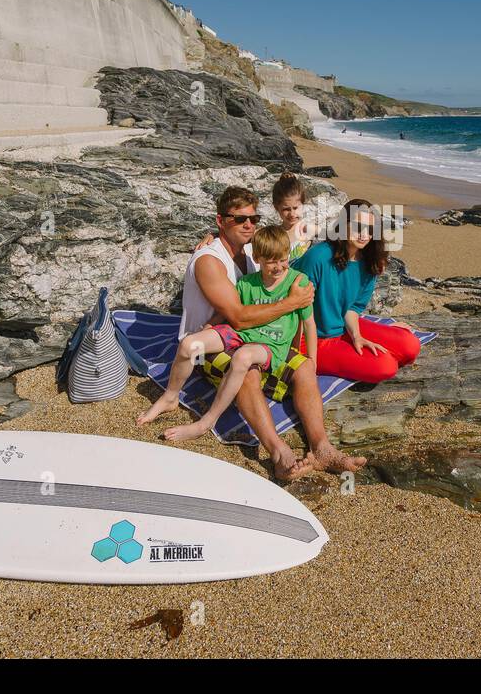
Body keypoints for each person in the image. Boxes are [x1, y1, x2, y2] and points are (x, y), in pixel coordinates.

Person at [139, 186, 364, 478]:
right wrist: (291, 302)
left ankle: (321, 447)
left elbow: (281, 253)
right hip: (220, 341)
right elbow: (237, 318)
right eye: (239, 220)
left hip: (262, 334)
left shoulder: (250, 248)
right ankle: (278, 451)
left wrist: (301, 289)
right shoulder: (210, 260)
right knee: (247, 370)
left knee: (305, 366)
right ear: (221, 221)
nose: (249, 225)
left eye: (253, 219)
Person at [144, 226, 317, 443]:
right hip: (241, 333)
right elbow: (226, 314)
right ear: (257, 258)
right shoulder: (246, 283)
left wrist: (312, 362)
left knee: (242, 357)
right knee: (190, 344)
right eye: (271, 261)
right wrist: (208, 327)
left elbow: (309, 324)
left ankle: (207, 422)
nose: (279, 266)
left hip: (271, 344)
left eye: (282, 259)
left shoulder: (298, 282)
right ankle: (170, 397)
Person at [293, 198, 421, 383]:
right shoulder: (318, 257)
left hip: (343, 325)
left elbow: (353, 308)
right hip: (311, 338)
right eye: (358, 226)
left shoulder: (370, 261)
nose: (364, 234)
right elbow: (296, 309)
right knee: (386, 366)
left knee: (410, 345)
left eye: (370, 229)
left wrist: (357, 336)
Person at [271, 172, 314, 260]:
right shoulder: (272, 235)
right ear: (276, 207)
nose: (292, 214)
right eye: (286, 209)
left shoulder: (309, 231)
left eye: (296, 208)